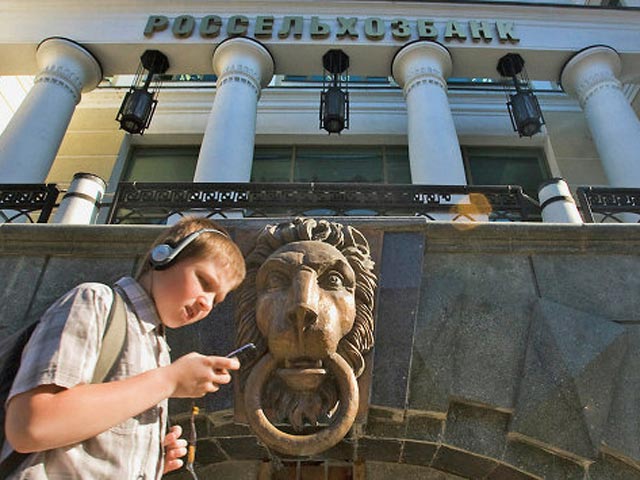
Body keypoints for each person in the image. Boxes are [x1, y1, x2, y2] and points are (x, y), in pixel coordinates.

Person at [2, 217, 246, 479]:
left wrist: (147, 460)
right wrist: (169, 381)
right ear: (163, 256)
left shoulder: (159, 349)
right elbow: (31, 426)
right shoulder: (95, 301)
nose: (207, 303)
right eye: (204, 282)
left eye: (216, 299)